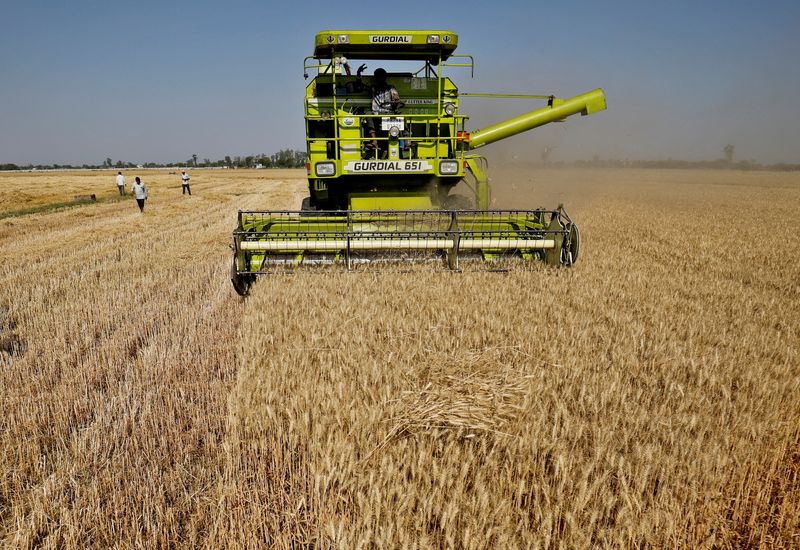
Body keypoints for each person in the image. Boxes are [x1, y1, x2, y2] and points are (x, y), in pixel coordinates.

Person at [359, 67, 401, 149]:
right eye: (378, 77)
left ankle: (406, 141)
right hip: (376, 113)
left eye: (382, 77)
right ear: (375, 78)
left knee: (402, 115)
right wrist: (358, 73)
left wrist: (396, 99)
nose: (380, 79)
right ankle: (374, 140)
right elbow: (360, 86)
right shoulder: (373, 88)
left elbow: (397, 97)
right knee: (368, 114)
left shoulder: (391, 88)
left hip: (389, 113)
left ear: (385, 77)